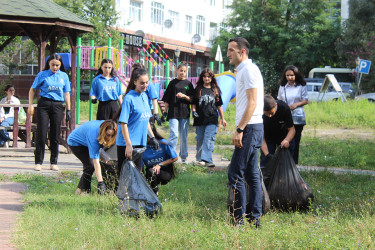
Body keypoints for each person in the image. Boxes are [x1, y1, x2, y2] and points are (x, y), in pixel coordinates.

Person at [226, 37, 264, 228]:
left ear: (242, 52)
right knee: (251, 175)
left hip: (250, 128)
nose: (227, 54)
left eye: (231, 50)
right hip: (252, 126)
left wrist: (240, 129)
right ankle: (255, 219)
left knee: (235, 174)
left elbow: (253, 102)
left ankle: (238, 220)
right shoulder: (244, 70)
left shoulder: (249, 70)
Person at [28, 53, 71, 171]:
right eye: (53, 65)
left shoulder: (64, 76)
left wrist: (68, 109)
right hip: (44, 105)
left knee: (55, 134)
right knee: (41, 133)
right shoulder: (42, 75)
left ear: (60, 64)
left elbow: (67, 93)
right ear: (48, 64)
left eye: (57, 65)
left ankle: (53, 162)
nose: (55, 67)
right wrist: (30, 105)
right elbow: (32, 90)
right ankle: (38, 162)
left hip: (57, 105)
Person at [115, 67, 159, 176]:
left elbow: (145, 119)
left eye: (147, 82)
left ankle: (134, 194)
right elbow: (123, 123)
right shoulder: (129, 98)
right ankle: (122, 194)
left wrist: (152, 137)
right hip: (128, 143)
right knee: (125, 175)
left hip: (140, 142)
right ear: (135, 82)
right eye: (142, 83)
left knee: (137, 174)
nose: (145, 85)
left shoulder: (144, 96)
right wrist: (128, 145)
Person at [67, 120, 117, 195]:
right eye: (108, 135)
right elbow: (96, 162)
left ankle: (79, 190)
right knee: (90, 165)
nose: (110, 138)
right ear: (103, 132)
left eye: (112, 135)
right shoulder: (93, 137)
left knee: (105, 162)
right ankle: (85, 191)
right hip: (76, 142)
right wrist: (100, 183)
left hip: (88, 138)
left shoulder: (109, 126)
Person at [192, 68, 227, 168]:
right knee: (200, 139)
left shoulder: (215, 90)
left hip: (212, 119)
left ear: (211, 78)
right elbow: (194, 103)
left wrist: (223, 118)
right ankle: (199, 160)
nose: (206, 78)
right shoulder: (198, 89)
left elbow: (219, 106)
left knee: (209, 139)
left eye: (208, 76)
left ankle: (207, 159)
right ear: (202, 77)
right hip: (199, 119)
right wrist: (193, 112)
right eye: (204, 76)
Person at [161, 63, 194, 164]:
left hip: (184, 113)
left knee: (183, 135)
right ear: (177, 71)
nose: (182, 73)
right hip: (173, 113)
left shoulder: (189, 84)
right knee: (174, 134)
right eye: (181, 70)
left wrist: (184, 96)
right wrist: (164, 112)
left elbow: (192, 99)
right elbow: (166, 99)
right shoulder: (172, 83)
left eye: (184, 71)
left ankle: (184, 157)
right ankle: (171, 156)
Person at [260, 95, 295, 187]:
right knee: (266, 163)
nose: (269, 116)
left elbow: (292, 129)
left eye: (271, 113)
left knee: (286, 164)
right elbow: (261, 137)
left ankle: (286, 185)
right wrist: (267, 154)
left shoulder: (284, 108)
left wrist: (287, 140)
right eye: (267, 114)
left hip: (284, 136)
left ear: (275, 105)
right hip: (268, 137)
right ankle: (267, 189)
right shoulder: (259, 113)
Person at [277, 65, 308, 164]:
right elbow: (279, 100)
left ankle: (294, 163)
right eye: (287, 75)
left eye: (292, 75)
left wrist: (296, 104)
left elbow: (306, 100)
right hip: (285, 117)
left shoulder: (301, 86)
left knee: (295, 141)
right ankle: (284, 162)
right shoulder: (283, 87)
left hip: (297, 117)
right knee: (285, 140)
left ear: (296, 75)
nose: (289, 77)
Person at [142, 124, 178, 195]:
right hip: (150, 172)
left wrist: (160, 164)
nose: (144, 137)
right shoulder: (142, 147)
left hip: (164, 171)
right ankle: (154, 192)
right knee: (150, 171)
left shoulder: (163, 143)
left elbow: (175, 158)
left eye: (146, 135)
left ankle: (154, 191)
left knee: (153, 172)